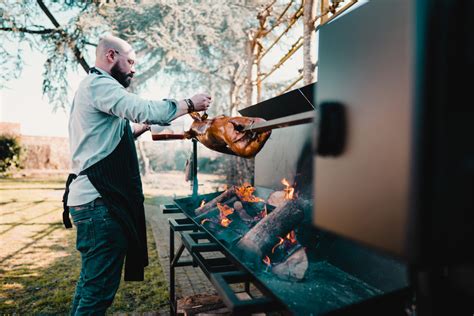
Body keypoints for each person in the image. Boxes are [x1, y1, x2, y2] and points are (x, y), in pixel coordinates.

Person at [62, 35, 211, 315]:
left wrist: (139, 129)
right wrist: (189, 103)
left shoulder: (90, 88)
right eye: (129, 61)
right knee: (97, 293)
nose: (133, 68)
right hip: (99, 204)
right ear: (110, 56)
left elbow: (107, 140)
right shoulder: (99, 85)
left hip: (92, 203)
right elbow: (142, 108)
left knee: (90, 285)